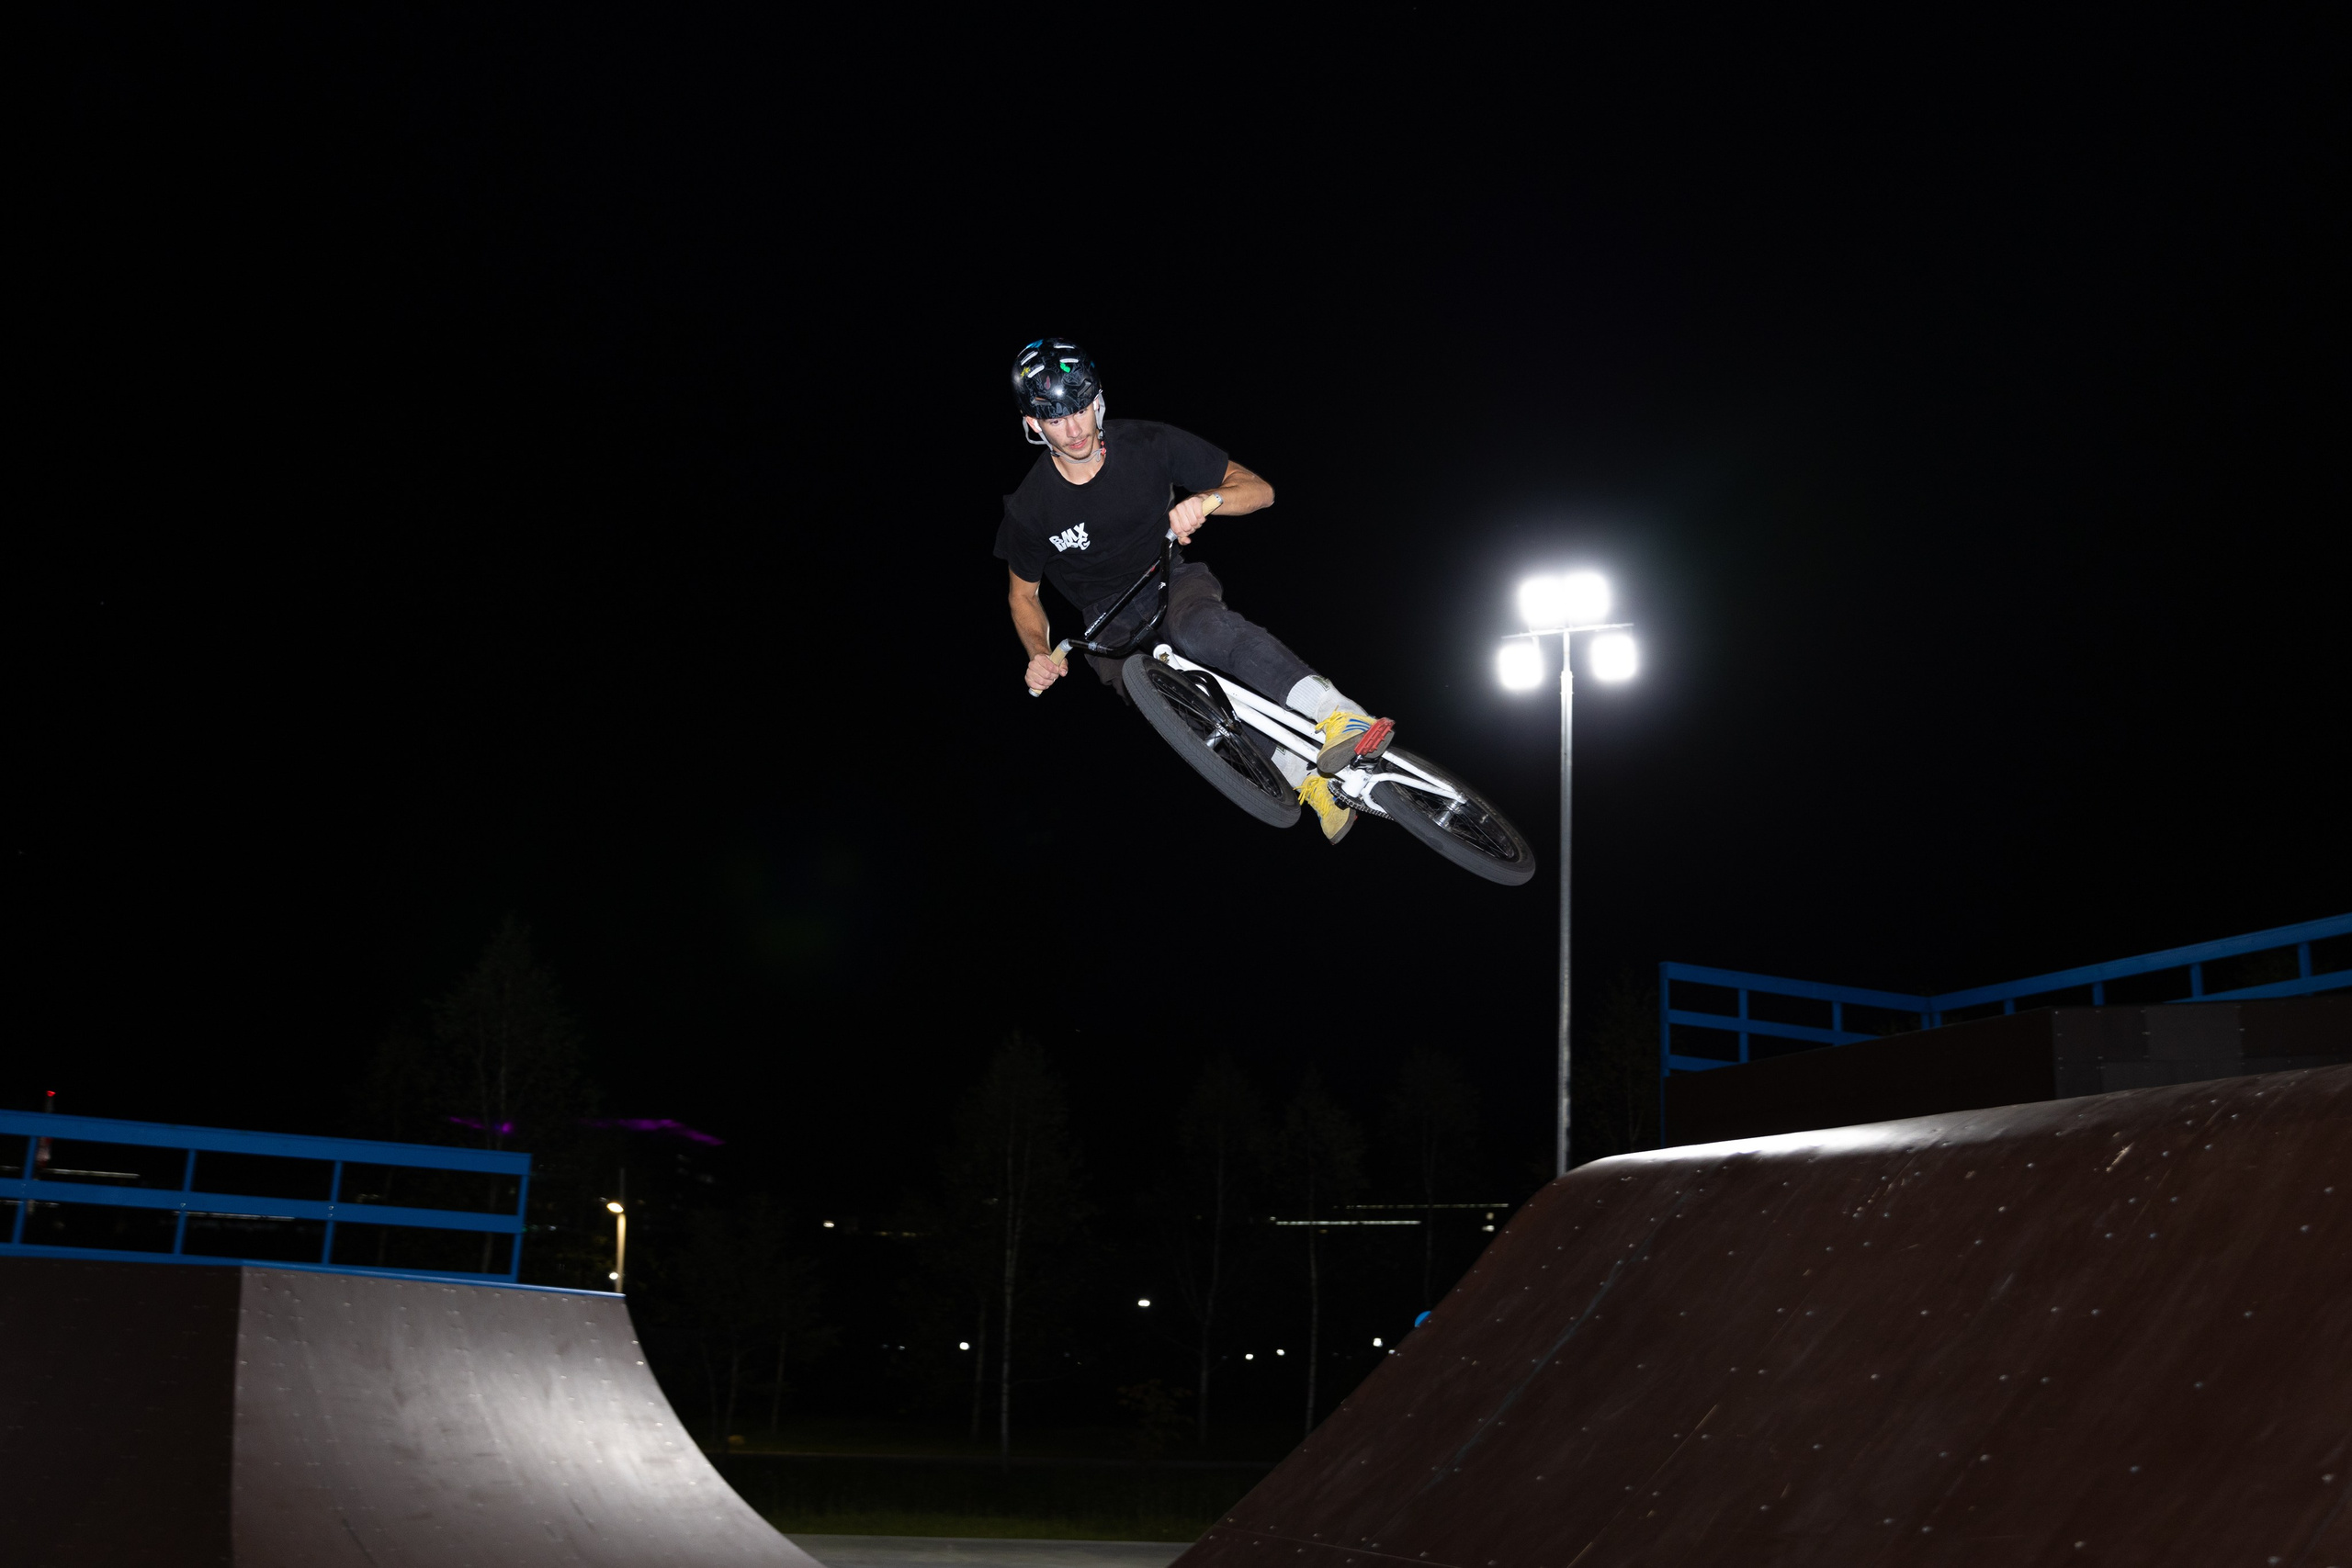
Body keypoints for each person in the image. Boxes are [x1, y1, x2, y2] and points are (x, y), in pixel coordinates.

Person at [996, 337, 1393, 843]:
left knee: (1199, 629)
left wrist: (1206, 501)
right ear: (1034, 424)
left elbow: (1259, 490)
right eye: (1055, 419)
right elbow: (1022, 596)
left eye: (1079, 410)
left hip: (1167, 574)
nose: (1074, 430)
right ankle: (1310, 783)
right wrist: (1036, 651)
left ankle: (1340, 715)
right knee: (1174, 702)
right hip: (1104, 622)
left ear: (1096, 401)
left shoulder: (1148, 443)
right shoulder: (1030, 509)